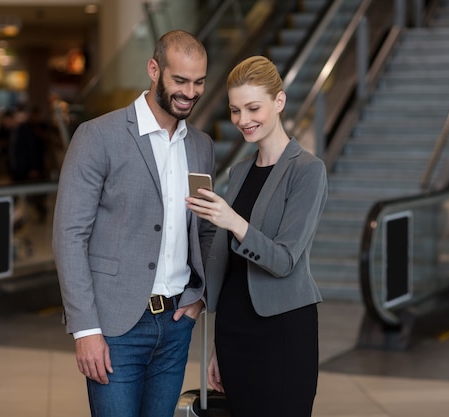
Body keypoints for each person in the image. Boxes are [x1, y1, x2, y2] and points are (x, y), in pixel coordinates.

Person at [52, 30, 215, 417]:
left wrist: (200, 295)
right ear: (154, 70)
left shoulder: (201, 146)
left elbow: (205, 229)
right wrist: (86, 329)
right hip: (114, 327)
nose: (190, 93)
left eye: (199, 83)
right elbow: (69, 235)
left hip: (176, 324)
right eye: (180, 81)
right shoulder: (98, 136)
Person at [186, 55, 328, 417]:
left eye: (253, 108)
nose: (243, 121)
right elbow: (232, 269)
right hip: (235, 329)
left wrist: (233, 221)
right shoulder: (239, 171)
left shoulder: (308, 171)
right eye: (235, 111)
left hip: (282, 330)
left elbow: (283, 260)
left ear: (279, 102)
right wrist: (219, 344)